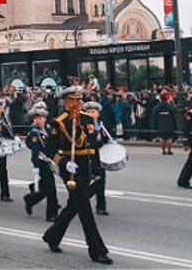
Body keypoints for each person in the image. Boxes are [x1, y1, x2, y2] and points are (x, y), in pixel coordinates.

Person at [42, 84, 112, 265]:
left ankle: (53, 235)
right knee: (85, 209)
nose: (79, 103)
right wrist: (65, 163)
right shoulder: (58, 123)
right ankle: (97, 250)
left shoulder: (87, 118)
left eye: (80, 99)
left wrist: (97, 169)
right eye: (74, 100)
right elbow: (50, 151)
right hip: (71, 170)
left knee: (74, 205)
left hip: (86, 166)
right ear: (66, 102)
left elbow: (93, 147)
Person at [23, 103, 58, 221]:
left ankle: (31, 199)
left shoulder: (50, 129)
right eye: (36, 118)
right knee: (51, 189)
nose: (38, 121)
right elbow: (35, 151)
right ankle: (51, 214)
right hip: (42, 162)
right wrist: (36, 167)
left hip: (50, 161)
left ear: (45, 118)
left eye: (40, 118)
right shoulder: (34, 133)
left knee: (46, 188)